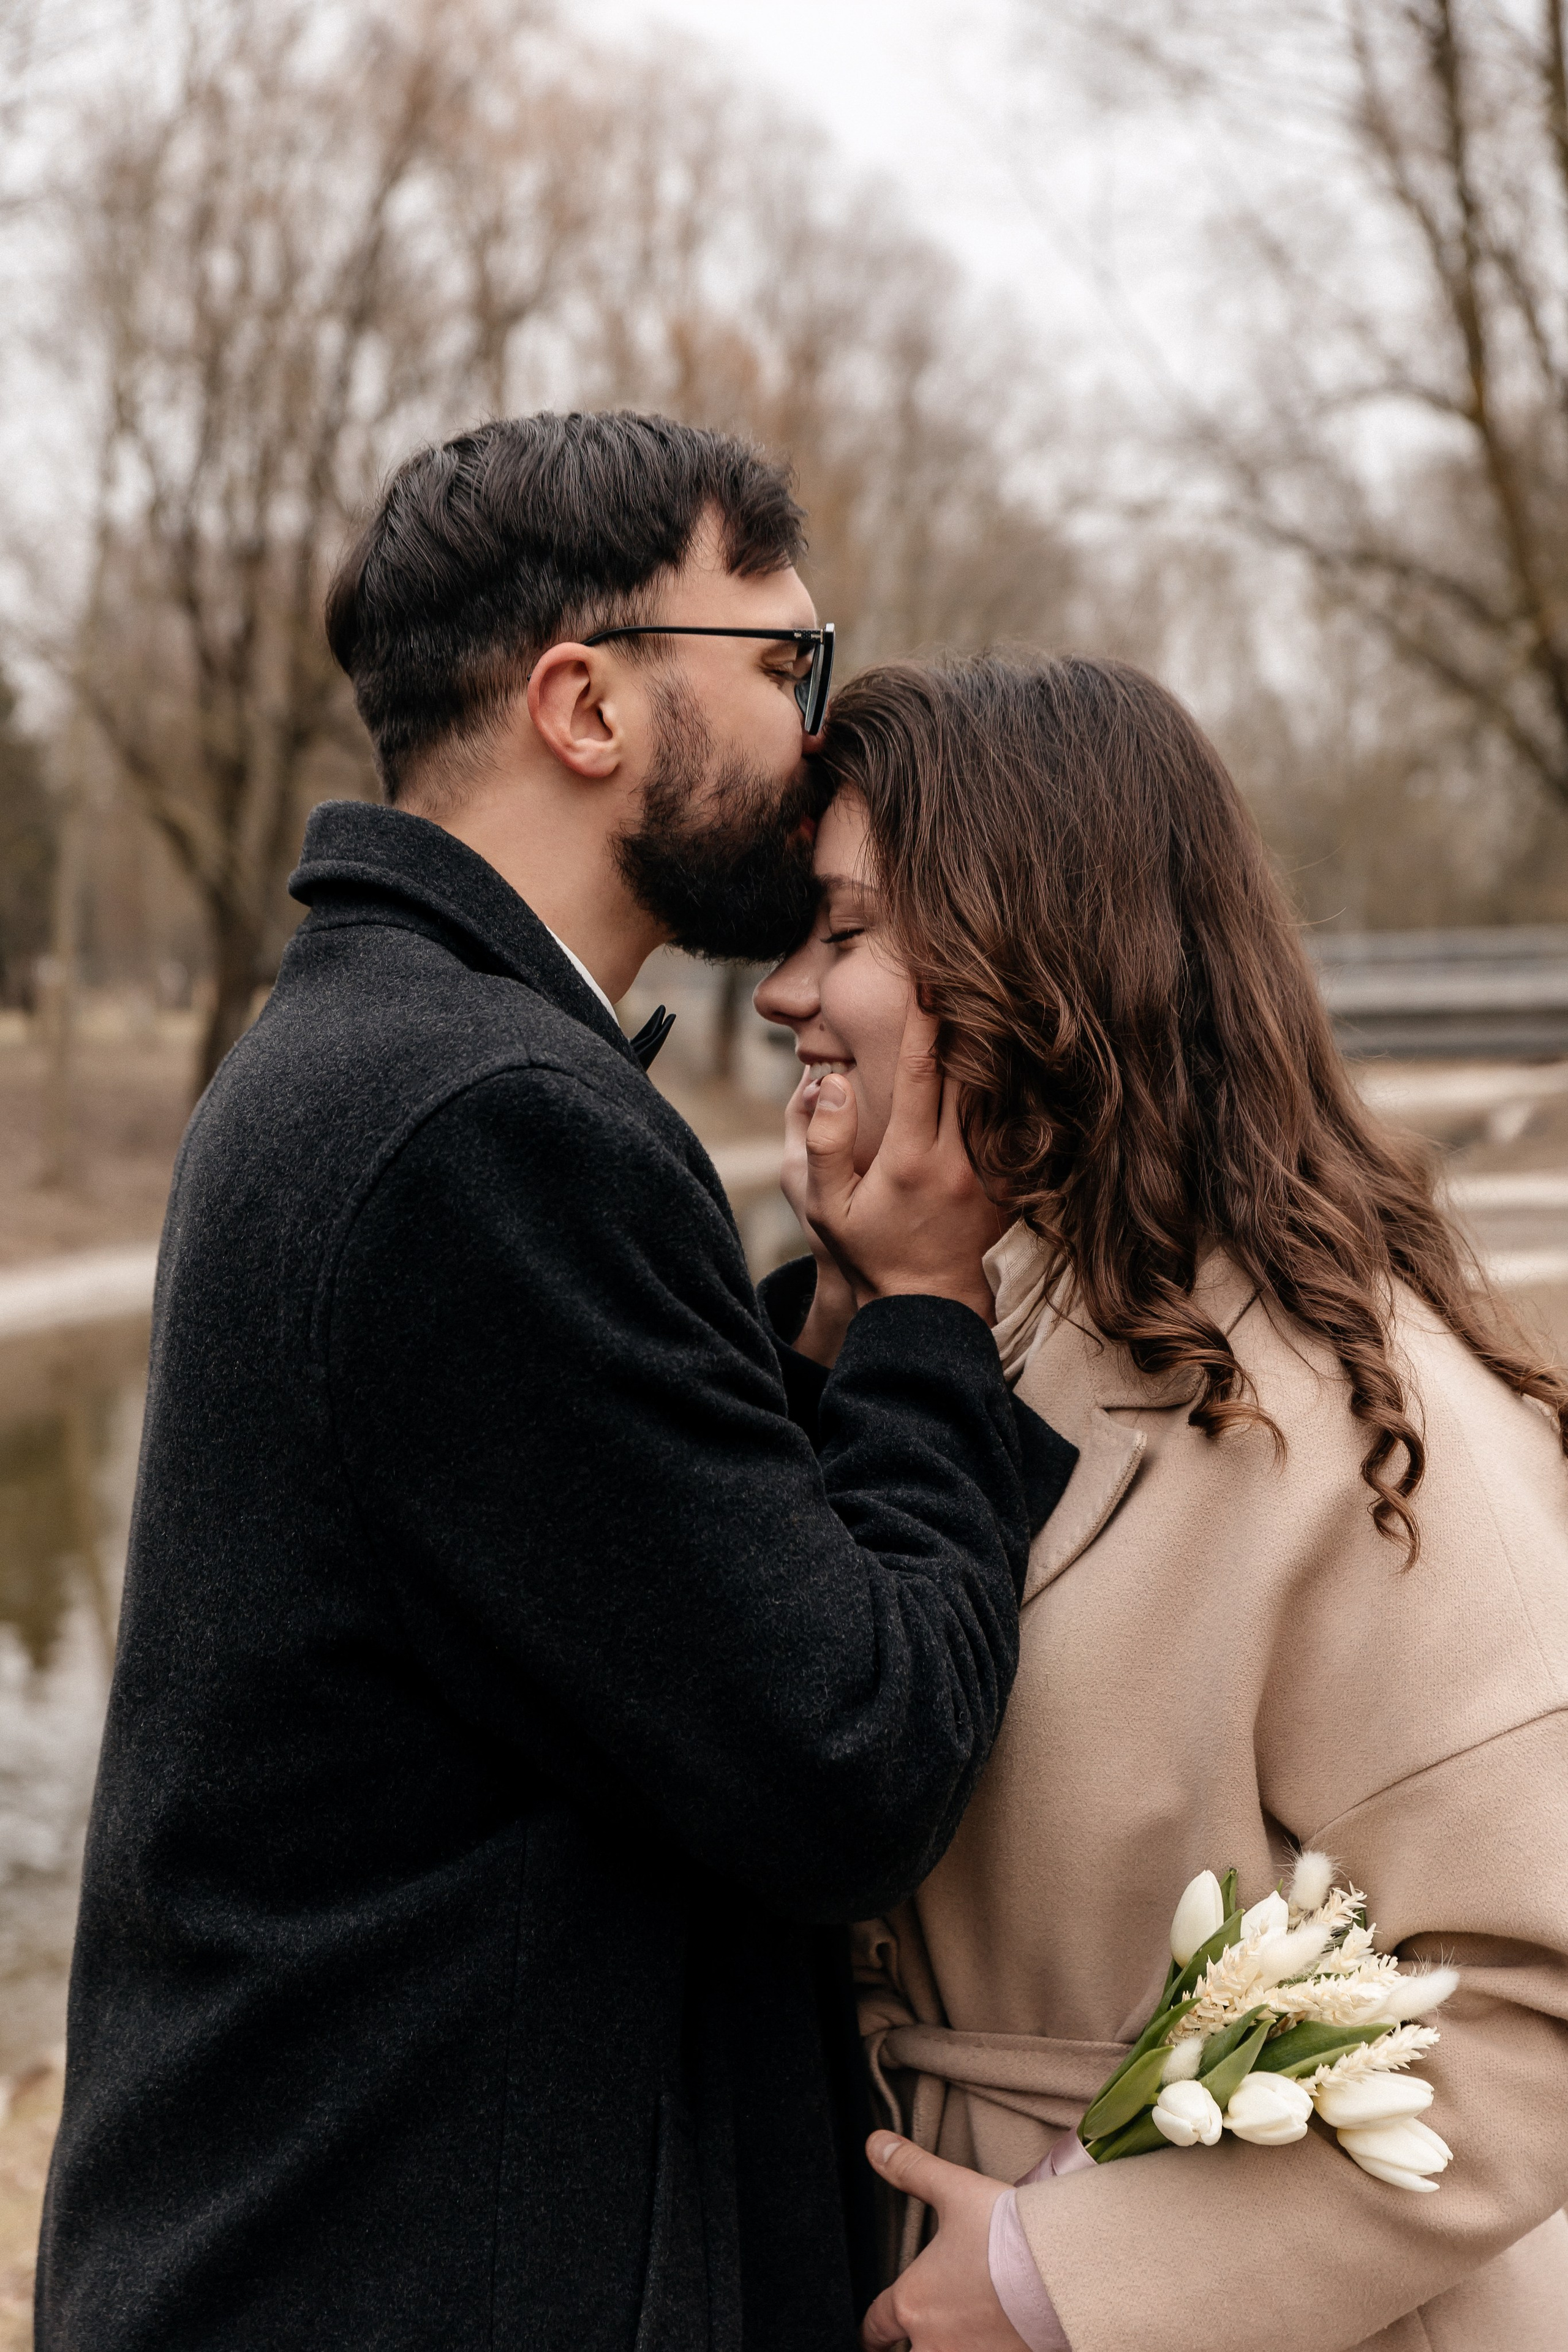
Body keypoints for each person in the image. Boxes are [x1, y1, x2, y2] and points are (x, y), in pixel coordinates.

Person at [36, 416, 1077, 2352]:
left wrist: (823, 1340)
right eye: (784, 667)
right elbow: (847, 1760)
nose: (816, 740)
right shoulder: (490, 1121)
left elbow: (610, 1597)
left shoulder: (361, 1052)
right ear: (586, 706)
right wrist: (930, 1312)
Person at [755, 651, 1568, 2352]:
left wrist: (1071, 2280)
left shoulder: (1369, 1415)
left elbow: (1531, 2001)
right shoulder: (955, 1324)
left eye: (843, 930)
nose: (781, 994)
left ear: (1026, 957)